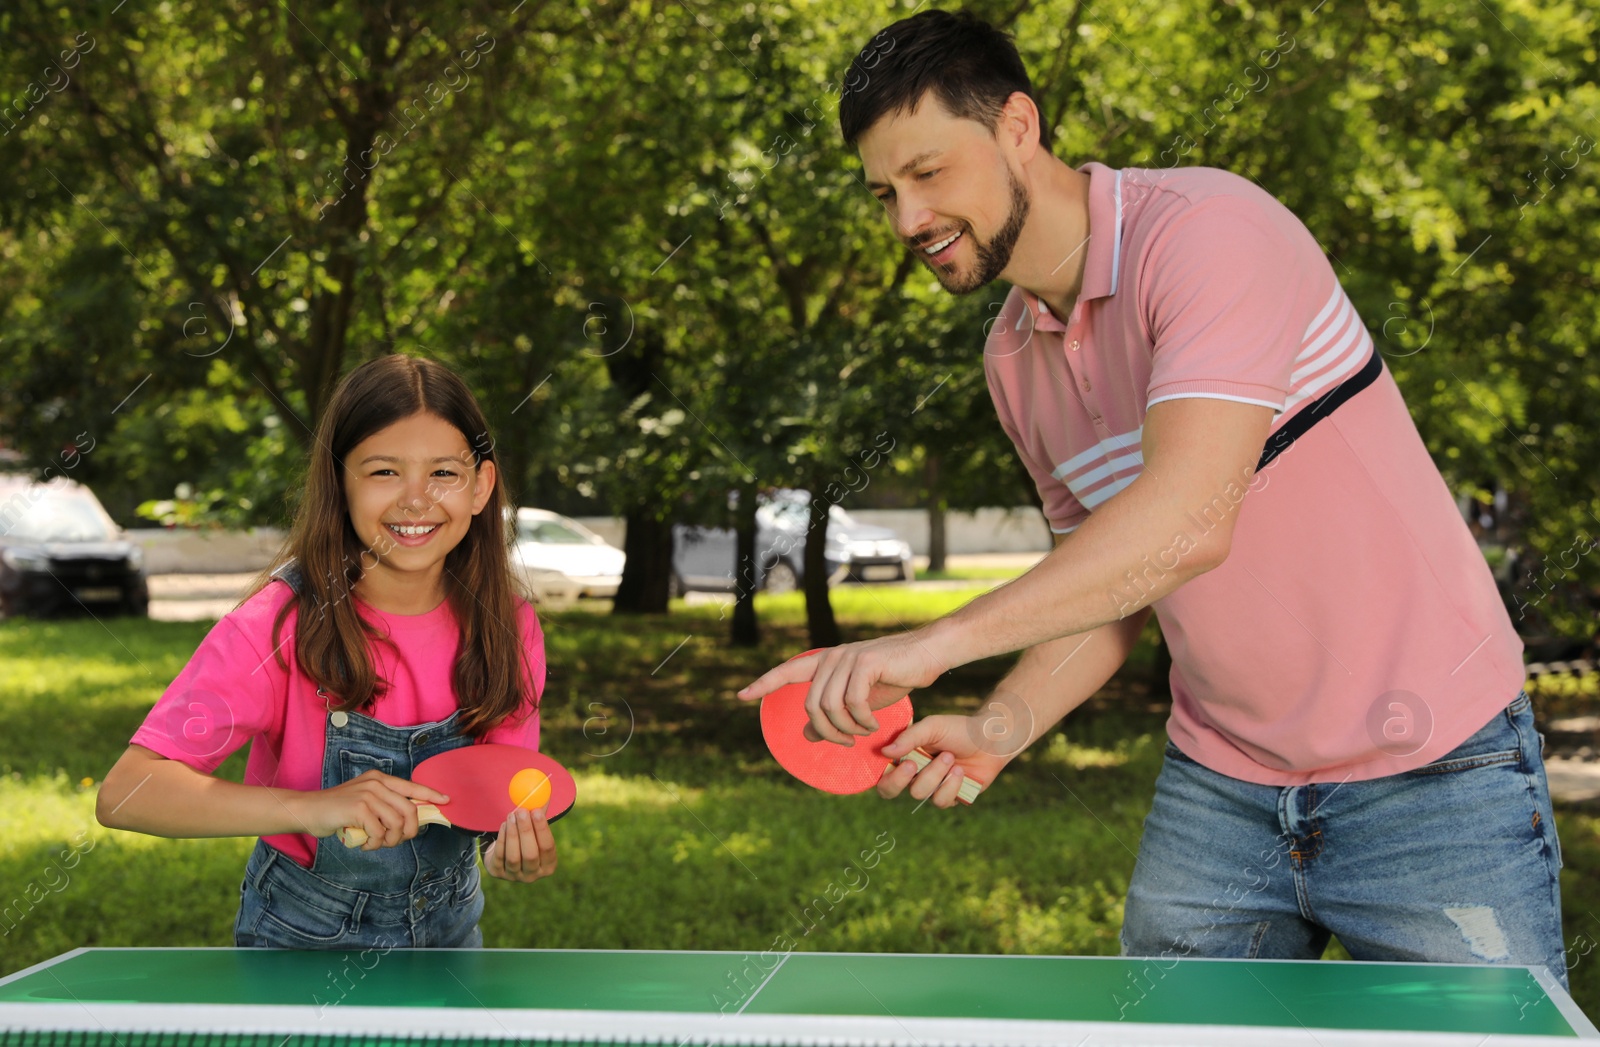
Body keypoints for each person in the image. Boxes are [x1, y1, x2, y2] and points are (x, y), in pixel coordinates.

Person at [740, 11, 1567, 981]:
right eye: (884, 193)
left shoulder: (1209, 235)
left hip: (1435, 766)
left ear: (1017, 125)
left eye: (928, 174)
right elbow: (1108, 591)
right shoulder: (1012, 358)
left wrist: (929, 645)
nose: (907, 220)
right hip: (1221, 783)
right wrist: (1001, 725)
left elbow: (1184, 523)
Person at [97, 354, 556, 949]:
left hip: (450, 934)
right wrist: (313, 809)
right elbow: (126, 794)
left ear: (481, 487)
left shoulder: (509, 627)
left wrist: (506, 850)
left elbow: (498, 800)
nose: (416, 501)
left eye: (443, 472)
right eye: (384, 472)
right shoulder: (275, 627)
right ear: (340, 483)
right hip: (301, 937)